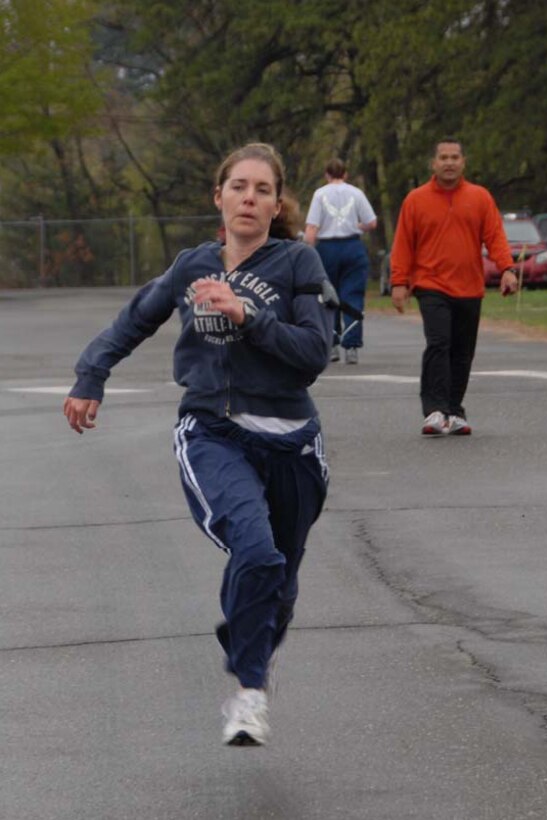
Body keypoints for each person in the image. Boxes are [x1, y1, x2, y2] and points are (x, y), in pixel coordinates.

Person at [63, 143, 335, 747]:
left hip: (294, 445)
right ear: (219, 196)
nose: (249, 198)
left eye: (262, 190)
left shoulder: (298, 266)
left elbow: (313, 355)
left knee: (278, 590)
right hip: (214, 432)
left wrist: (247, 315)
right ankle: (249, 694)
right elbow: (135, 319)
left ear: (276, 203)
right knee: (257, 555)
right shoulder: (193, 266)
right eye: (238, 186)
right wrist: (91, 375)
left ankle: (247, 638)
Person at [390, 137, 518, 436]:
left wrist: (508, 269)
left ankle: (454, 410)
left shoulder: (480, 197)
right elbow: (403, 245)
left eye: (455, 157)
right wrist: (399, 282)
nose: (449, 162)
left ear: (463, 162)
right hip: (430, 284)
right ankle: (434, 410)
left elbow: (495, 237)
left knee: (462, 352)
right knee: (439, 342)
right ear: (434, 164)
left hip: (469, 287)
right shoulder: (416, 200)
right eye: (443, 157)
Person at [304, 158, 377, 364]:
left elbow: (312, 229)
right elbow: (372, 222)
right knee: (352, 295)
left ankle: (333, 344)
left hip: (327, 248)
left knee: (329, 297)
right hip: (352, 246)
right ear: (345, 174)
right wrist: (358, 226)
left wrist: (307, 249)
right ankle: (352, 346)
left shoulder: (320, 194)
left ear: (326, 175)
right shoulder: (356, 193)